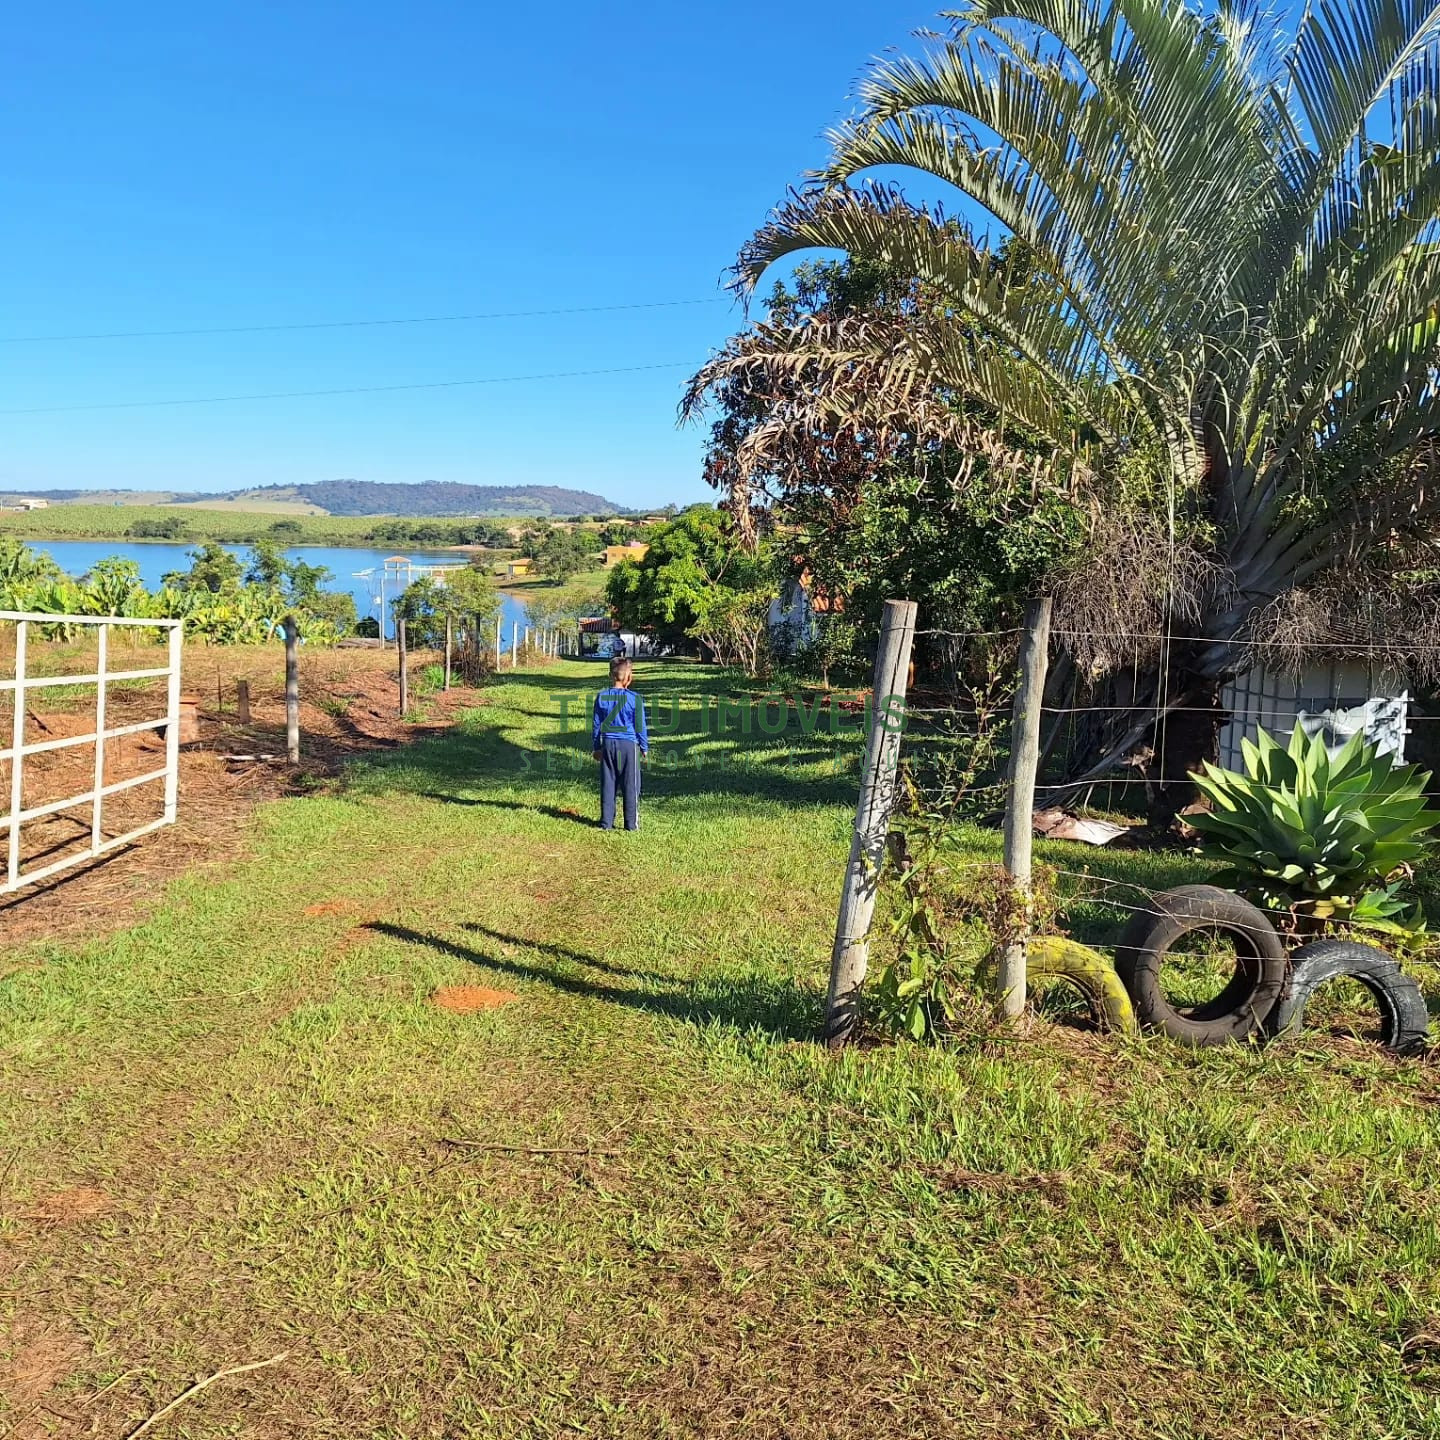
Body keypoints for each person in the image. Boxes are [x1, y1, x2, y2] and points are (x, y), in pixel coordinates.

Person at [591, 656, 647, 831]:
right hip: (628, 745)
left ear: (610, 675)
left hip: (608, 744)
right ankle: (631, 824)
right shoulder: (635, 698)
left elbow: (596, 725)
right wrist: (644, 746)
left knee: (608, 783)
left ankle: (606, 822)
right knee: (631, 785)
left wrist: (596, 747)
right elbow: (640, 726)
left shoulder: (601, 697)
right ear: (629, 677)